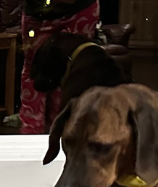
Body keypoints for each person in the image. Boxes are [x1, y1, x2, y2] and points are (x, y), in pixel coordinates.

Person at [19, 0, 100, 135]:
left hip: (79, 10)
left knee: (72, 66)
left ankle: (65, 126)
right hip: (37, 14)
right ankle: (31, 130)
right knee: (34, 67)